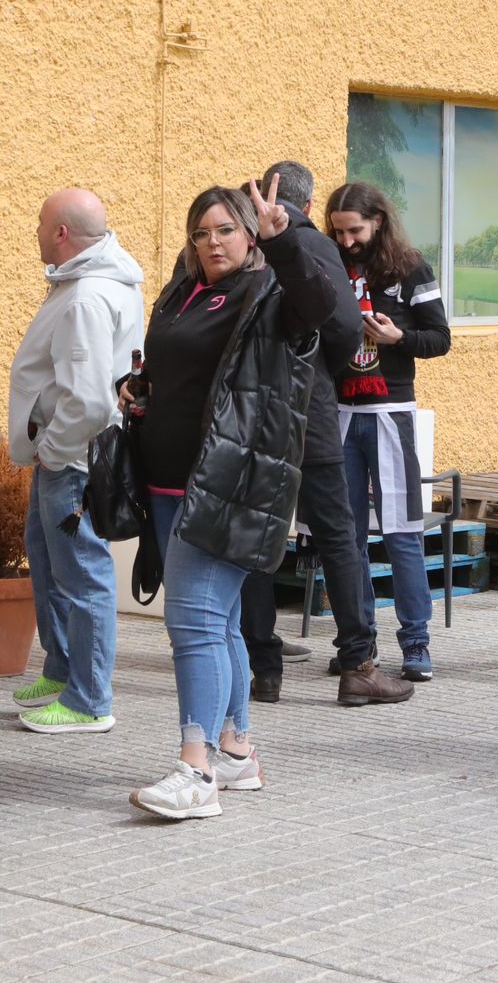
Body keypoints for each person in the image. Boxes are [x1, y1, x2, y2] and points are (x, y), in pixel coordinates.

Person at [125, 178, 350, 819]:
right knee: (218, 623)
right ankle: (237, 750)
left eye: (225, 229)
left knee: (191, 623)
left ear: (251, 233)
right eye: (201, 232)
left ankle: (195, 772)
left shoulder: (272, 293)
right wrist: (140, 389)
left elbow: (324, 306)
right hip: (168, 481)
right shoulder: (182, 290)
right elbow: (178, 370)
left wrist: (286, 244)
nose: (212, 242)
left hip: (231, 482)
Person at [237, 161, 407, 707]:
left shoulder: (229, 242)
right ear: (309, 208)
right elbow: (341, 329)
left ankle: (262, 668)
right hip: (309, 414)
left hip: (248, 419)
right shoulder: (316, 249)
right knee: (339, 537)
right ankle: (358, 663)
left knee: (257, 541)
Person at [5, 188, 145, 734]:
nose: (35, 231)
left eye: (42, 223)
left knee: (82, 574)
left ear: (62, 232)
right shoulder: (92, 284)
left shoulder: (87, 295)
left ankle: (89, 700)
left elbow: (88, 398)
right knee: (48, 562)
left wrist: (54, 452)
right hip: (70, 456)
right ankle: (63, 671)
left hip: (73, 460)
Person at [327, 181, 452, 681]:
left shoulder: (410, 268)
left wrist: (399, 337)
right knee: (346, 536)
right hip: (339, 415)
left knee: (401, 530)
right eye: (337, 231)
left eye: (354, 230)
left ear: (377, 221)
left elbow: (439, 338)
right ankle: (359, 642)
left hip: (390, 412)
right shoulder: (331, 264)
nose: (346, 241)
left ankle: (416, 642)